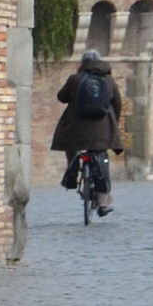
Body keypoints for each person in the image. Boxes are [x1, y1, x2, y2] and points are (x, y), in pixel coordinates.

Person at [52, 49, 121, 216]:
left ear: (82, 63)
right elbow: (117, 103)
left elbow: (61, 97)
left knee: (71, 147)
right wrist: (113, 124)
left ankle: (72, 174)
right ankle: (103, 204)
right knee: (102, 160)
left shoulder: (75, 79)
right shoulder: (109, 80)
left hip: (77, 131)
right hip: (102, 131)